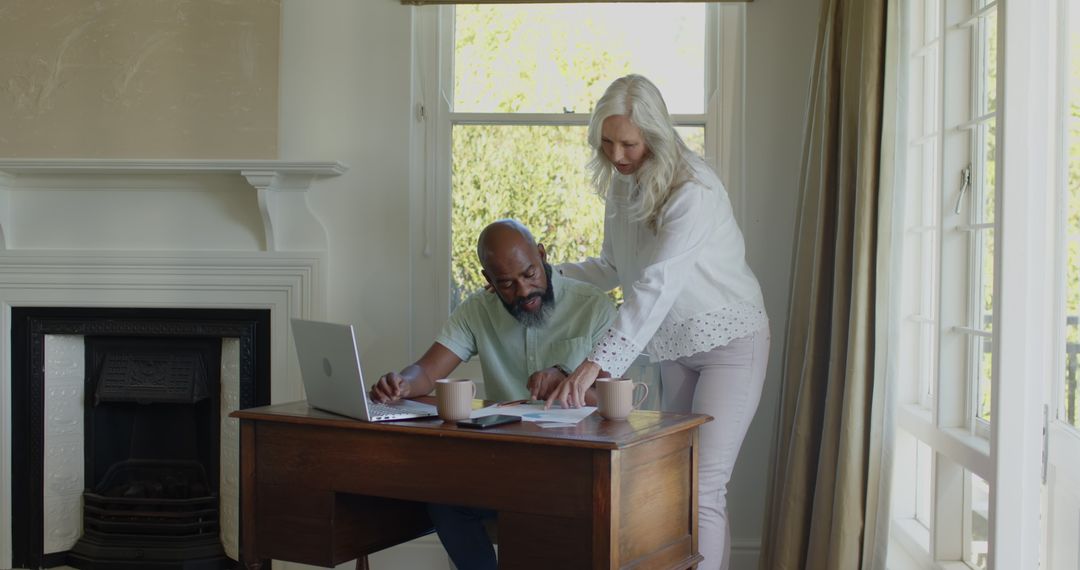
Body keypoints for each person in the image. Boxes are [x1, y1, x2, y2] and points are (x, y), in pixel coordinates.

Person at [547, 74, 771, 570]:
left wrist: (594, 365)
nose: (618, 155)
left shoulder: (694, 189)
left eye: (629, 143)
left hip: (730, 342)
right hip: (675, 346)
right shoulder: (622, 186)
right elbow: (613, 268)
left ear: (656, 133)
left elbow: (655, 285)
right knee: (676, 483)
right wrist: (549, 274)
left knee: (705, 485)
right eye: (607, 142)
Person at [370, 219, 615, 570]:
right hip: (506, 465)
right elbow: (426, 370)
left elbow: (609, 399)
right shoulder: (477, 310)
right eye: (506, 284)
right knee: (444, 499)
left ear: (542, 256)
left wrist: (567, 382)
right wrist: (402, 383)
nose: (524, 291)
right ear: (489, 281)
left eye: (530, 274)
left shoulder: (593, 307)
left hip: (576, 466)